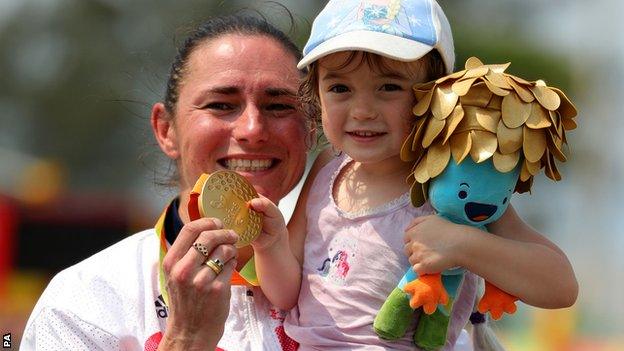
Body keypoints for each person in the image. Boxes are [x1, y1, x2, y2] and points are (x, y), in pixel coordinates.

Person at [249, 0, 578, 350]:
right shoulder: (328, 167)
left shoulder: (448, 184)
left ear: (437, 97)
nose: (362, 111)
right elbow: (286, 295)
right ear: (315, 94)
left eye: (389, 87)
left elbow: (560, 285)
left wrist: (464, 245)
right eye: (340, 88)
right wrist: (270, 246)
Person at [20, 14, 311, 351]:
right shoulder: (85, 300)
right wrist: (186, 338)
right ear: (165, 130)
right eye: (221, 105)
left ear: (312, 129)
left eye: (278, 106)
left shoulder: (359, 270)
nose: (252, 130)